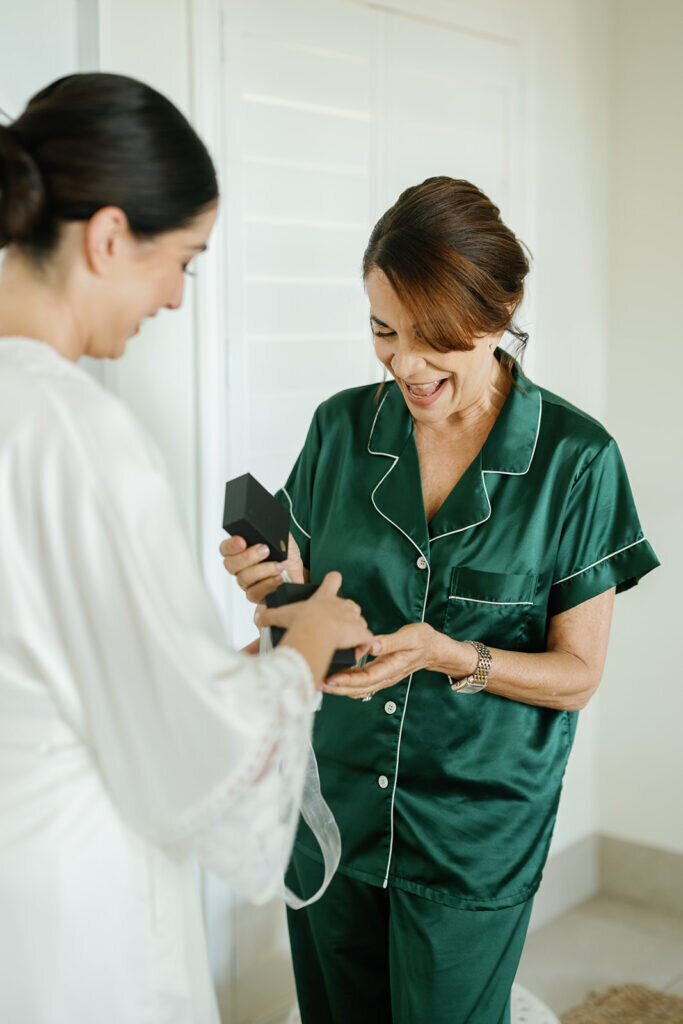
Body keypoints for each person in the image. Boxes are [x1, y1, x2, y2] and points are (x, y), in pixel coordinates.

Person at [221, 177, 660, 1024]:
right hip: (332, 811)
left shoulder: (576, 462)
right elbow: (295, 603)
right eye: (384, 332)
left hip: (472, 837)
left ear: (498, 317)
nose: (406, 366)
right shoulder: (339, 429)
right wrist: (266, 586)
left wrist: (450, 654)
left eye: (436, 340)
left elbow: (576, 675)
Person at [0, 73, 373, 1024]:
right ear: (110, 235)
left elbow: (71, 663)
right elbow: (192, 760)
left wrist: (229, 669)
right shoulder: (75, 432)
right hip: (67, 898)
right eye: (184, 261)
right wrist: (303, 649)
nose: (174, 298)